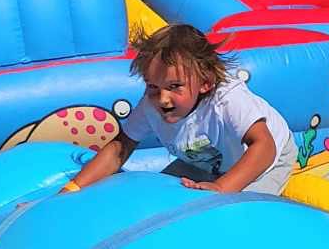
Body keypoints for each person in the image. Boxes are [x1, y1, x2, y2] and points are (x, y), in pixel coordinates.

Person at [63, 23, 297, 197]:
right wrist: (73, 189)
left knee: (241, 210)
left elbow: (264, 147)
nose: (163, 99)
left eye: (174, 87)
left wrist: (221, 188)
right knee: (160, 200)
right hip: (205, 163)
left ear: (206, 83)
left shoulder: (226, 100)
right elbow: (119, 148)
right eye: (153, 87)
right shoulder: (151, 104)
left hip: (266, 160)